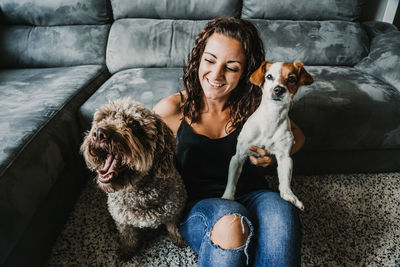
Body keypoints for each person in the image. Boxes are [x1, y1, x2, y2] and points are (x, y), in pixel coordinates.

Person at [153, 16, 304, 267]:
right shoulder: (171, 109)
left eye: (231, 67)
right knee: (233, 223)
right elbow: (135, 148)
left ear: (247, 72)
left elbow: (297, 135)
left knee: (283, 214)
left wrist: (274, 155)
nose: (216, 74)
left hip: (254, 193)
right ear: (198, 58)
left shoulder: (257, 106)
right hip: (199, 205)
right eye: (210, 60)